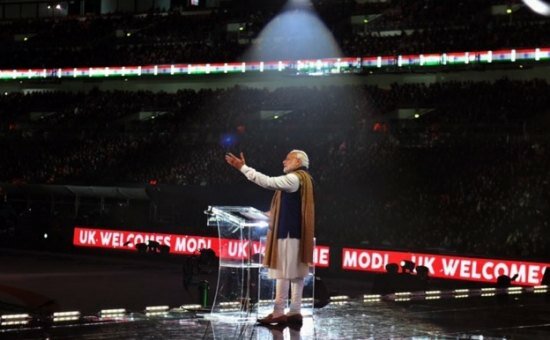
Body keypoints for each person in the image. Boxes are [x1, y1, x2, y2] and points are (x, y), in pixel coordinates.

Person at [225, 150, 315, 325]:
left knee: (282, 272)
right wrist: (264, 215)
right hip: (296, 233)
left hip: (288, 233)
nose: (283, 161)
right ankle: (295, 311)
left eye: (287, 158)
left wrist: (243, 167)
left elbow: (267, 182)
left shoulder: (294, 178)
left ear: (297, 160)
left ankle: (278, 312)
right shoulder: (305, 179)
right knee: (296, 273)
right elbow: (289, 208)